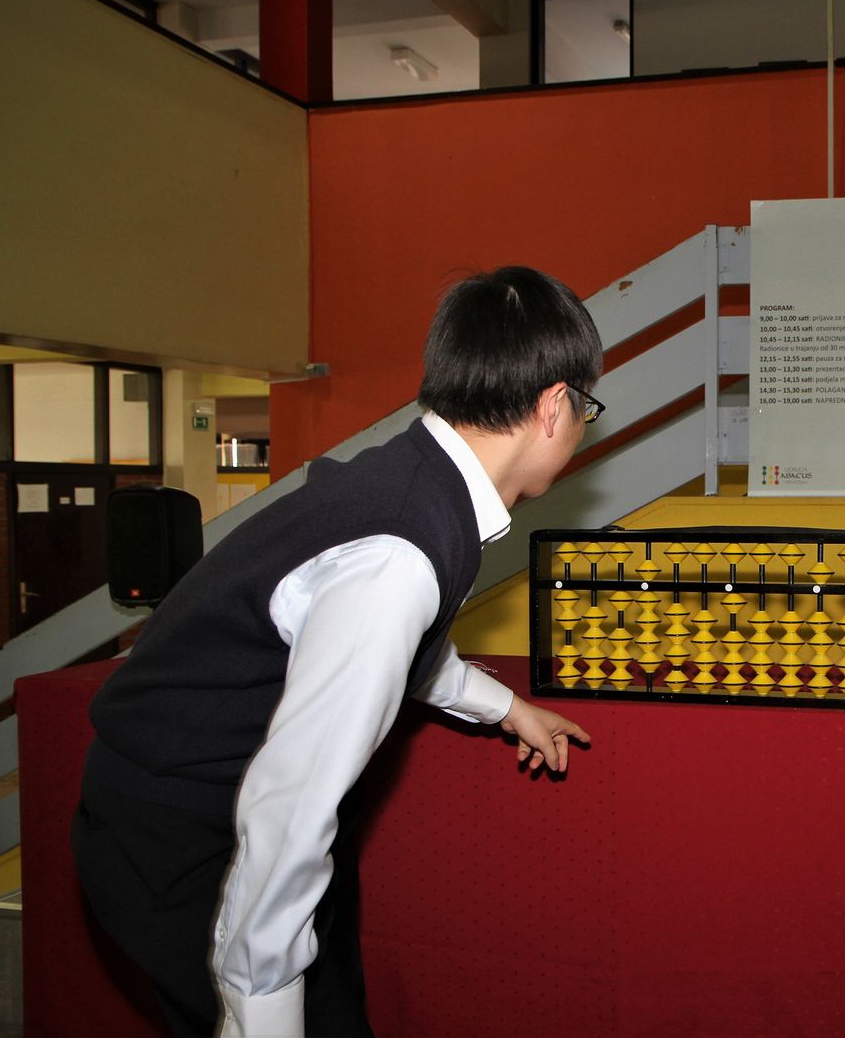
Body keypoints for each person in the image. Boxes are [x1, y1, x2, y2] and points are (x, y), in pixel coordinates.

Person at [73, 266, 603, 1037]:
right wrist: (261, 1001)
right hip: (181, 827)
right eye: (587, 407)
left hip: (229, 807)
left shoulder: (421, 484)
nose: (583, 427)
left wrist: (505, 707)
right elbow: (292, 801)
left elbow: (388, 642)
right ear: (554, 405)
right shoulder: (400, 550)